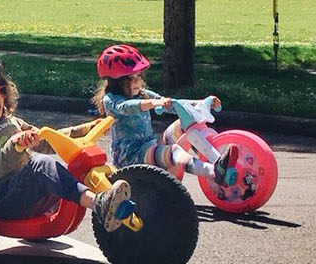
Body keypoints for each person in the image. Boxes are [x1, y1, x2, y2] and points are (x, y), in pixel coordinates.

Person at [0, 54, 134, 229]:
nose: (0, 98)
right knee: (41, 165)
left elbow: (47, 139)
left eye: (2, 90)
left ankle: (111, 199)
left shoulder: (11, 120)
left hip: (24, 193)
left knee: (64, 168)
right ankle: (99, 203)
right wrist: (16, 144)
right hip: (2, 200)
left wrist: (86, 128)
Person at [92, 44, 239, 184]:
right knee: (172, 151)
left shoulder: (142, 94)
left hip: (149, 145)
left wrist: (199, 103)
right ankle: (213, 172)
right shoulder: (111, 100)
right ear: (117, 81)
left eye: (139, 76)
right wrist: (153, 103)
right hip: (130, 157)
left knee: (184, 124)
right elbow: (127, 107)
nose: (138, 82)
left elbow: (172, 103)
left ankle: (217, 159)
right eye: (132, 79)